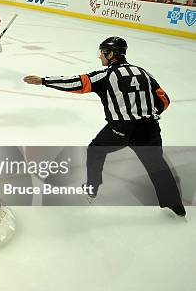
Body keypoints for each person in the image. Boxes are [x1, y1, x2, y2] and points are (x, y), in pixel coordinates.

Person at [23, 36, 186, 217]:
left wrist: (44, 81)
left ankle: (92, 188)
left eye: (101, 53)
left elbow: (77, 83)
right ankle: (176, 205)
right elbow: (164, 100)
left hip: (121, 130)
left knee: (95, 150)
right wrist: (147, 116)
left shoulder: (107, 75)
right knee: (157, 164)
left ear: (111, 54)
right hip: (150, 129)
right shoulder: (144, 72)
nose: (99, 57)